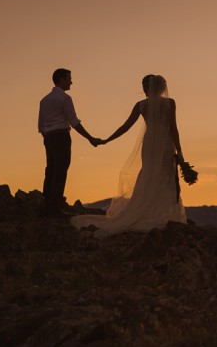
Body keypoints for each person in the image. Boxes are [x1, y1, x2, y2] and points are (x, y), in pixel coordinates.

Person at [71, 74, 188, 237]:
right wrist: (180, 151)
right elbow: (173, 128)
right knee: (164, 175)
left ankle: (146, 210)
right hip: (165, 142)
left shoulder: (141, 105)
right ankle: (162, 212)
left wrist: (106, 140)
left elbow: (125, 127)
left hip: (149, 144)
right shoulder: (170, 103)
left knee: (149, 173)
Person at [38, 68, 101, 218]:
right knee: (60, 170)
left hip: (49, 137)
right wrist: (90, 138)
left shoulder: (44, 100)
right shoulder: (65, 99)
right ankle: (55, 207)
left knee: (51, 169)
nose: (71, 82)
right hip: (61, 137)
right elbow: (74, 121)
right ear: (61, 80)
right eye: (68, 79)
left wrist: (46, 138)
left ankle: (48, 204)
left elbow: (40, 125)